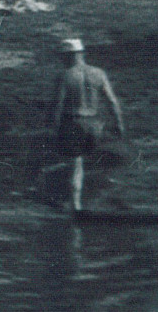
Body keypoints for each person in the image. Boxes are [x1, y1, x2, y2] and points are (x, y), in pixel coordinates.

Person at [52, 38, 125, 211]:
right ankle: (103, 196)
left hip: (73, 122)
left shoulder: (66, 75)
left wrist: (54, 128)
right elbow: (112, 101)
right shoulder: (99, 73)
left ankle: (75, 205)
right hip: (94, 124)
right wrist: (119, 124)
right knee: (91, 158)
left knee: (76, 163)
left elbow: (58, 105)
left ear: (68, 56)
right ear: (82, 54)